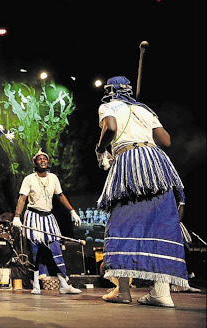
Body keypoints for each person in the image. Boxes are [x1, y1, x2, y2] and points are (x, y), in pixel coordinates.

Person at [95, 76, 188, 307]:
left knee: (122, 222)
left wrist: (100, 149)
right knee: (161, 222)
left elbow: (111, 127)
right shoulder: (145, 110)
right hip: (157, 163)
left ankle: (123, 290)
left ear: (109, 91)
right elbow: (165, 141)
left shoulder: (108, 106)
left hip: (130, 162)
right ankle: (162, 292)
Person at [12, 149, 82, 295]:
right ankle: (36, 284)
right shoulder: (29, 179)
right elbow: (22, 198)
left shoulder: (53, 178)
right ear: (35, 162)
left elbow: (60, 195)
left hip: (49, 217)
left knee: (56, 249)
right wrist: (17, 216)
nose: (43, 160)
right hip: (33, 217)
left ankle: (64, 284)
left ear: (48, 162)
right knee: (36, 251)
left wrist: (72, 211)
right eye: (39, 159)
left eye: (45, 158)